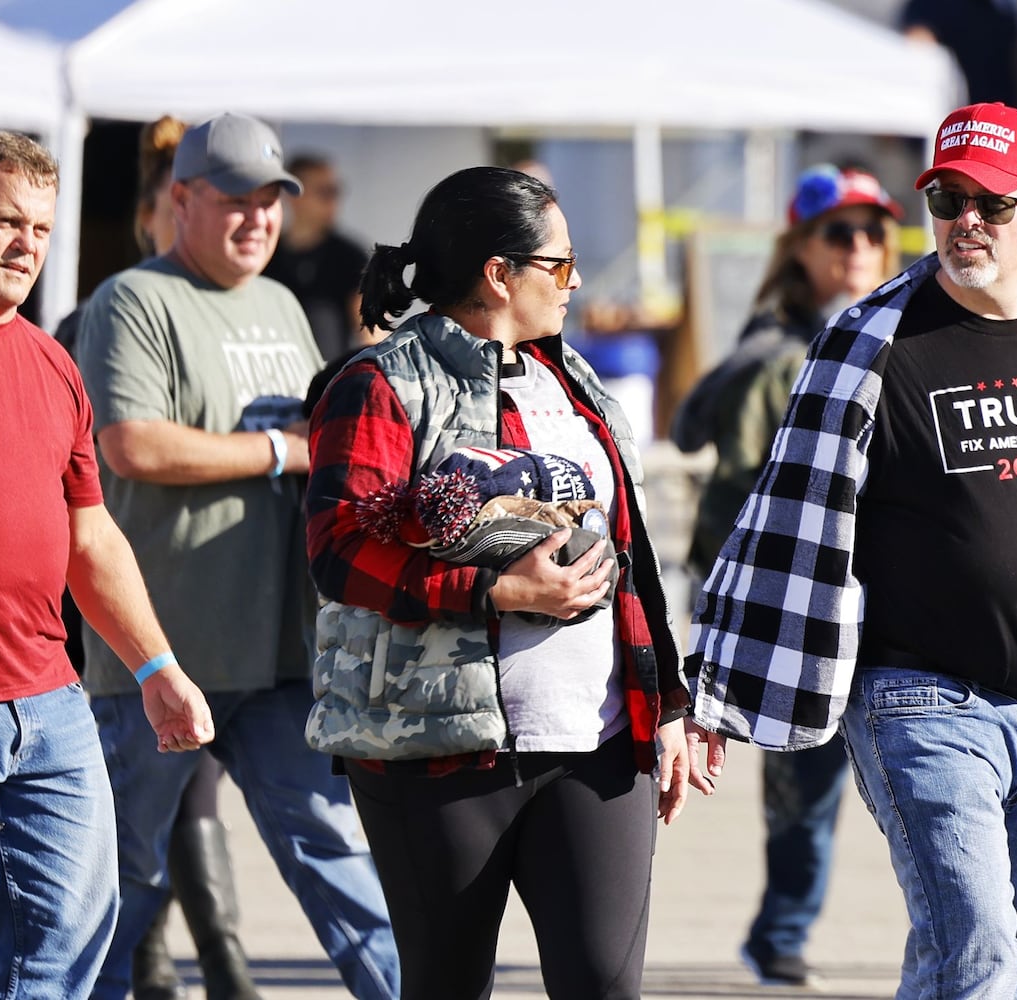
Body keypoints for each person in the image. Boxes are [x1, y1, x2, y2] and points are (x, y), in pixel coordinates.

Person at [684, 102, 1017, 998]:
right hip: (917, 702)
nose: (967, 221)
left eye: (992, 204)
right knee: (981, 949)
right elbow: (779, 522)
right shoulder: (866, 346)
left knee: (973, 952)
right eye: (948, 198)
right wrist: (709, 696)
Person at [303, 165, 692, 1000]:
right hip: (438, 747)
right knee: (447, 986)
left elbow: (632, 554)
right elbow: (338, 549)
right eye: (560, 263)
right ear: (498, 272)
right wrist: (496, 593)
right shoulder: (381, 382)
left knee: (605, 984)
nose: (575, 281)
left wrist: (666, 706)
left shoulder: (575, 381)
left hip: (595, 740)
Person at [74, 112, 399, 1000]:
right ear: (181, 200)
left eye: (270, 202)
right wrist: (277, 452)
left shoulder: (283, 304)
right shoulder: (134, 300)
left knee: (337, 857)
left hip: (282, 652)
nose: (258, 220)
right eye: (236, 202)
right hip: (162, 656)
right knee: (122, 883)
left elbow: (323, 439)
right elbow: (131, 444)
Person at [0, 129, 214, 999]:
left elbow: (91, 535)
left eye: (39, 227)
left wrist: (157, 666)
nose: (26, 244)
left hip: (48, 701)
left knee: (69, 940)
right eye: (4, 221)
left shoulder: (52, 364)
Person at [671, 162, 903, 988]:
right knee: (804, 785)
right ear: (801, 245)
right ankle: (783, 932)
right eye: (839, 232)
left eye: (875, 230)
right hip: (806, 604)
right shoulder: (774, 352)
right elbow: (724, 469)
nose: (860, 247)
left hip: (902, 600)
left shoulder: (912, 323)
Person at [57, 113, 261, 1000]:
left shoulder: (249, 310)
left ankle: (205, 967)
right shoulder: (104, 318)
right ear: (165, 212)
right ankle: (174, 968)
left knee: (179, 801)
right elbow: (123, 454)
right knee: (146, 816)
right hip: (112, 609)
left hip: (187, 618)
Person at [263, 153, 372, 360]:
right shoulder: (265, 253)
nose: (334, 200)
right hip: (273, 374)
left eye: (336, 191)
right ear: (294, 195)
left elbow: (370, 332)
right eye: (324, 192)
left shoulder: (350, 256)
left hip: (326, 383)